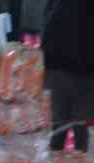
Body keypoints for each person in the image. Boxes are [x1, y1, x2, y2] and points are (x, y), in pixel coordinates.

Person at [42, 0, 93, 152]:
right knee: (76, 129)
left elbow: (48, 25)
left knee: (61, 129)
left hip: (68, 72)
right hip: (77, 72)